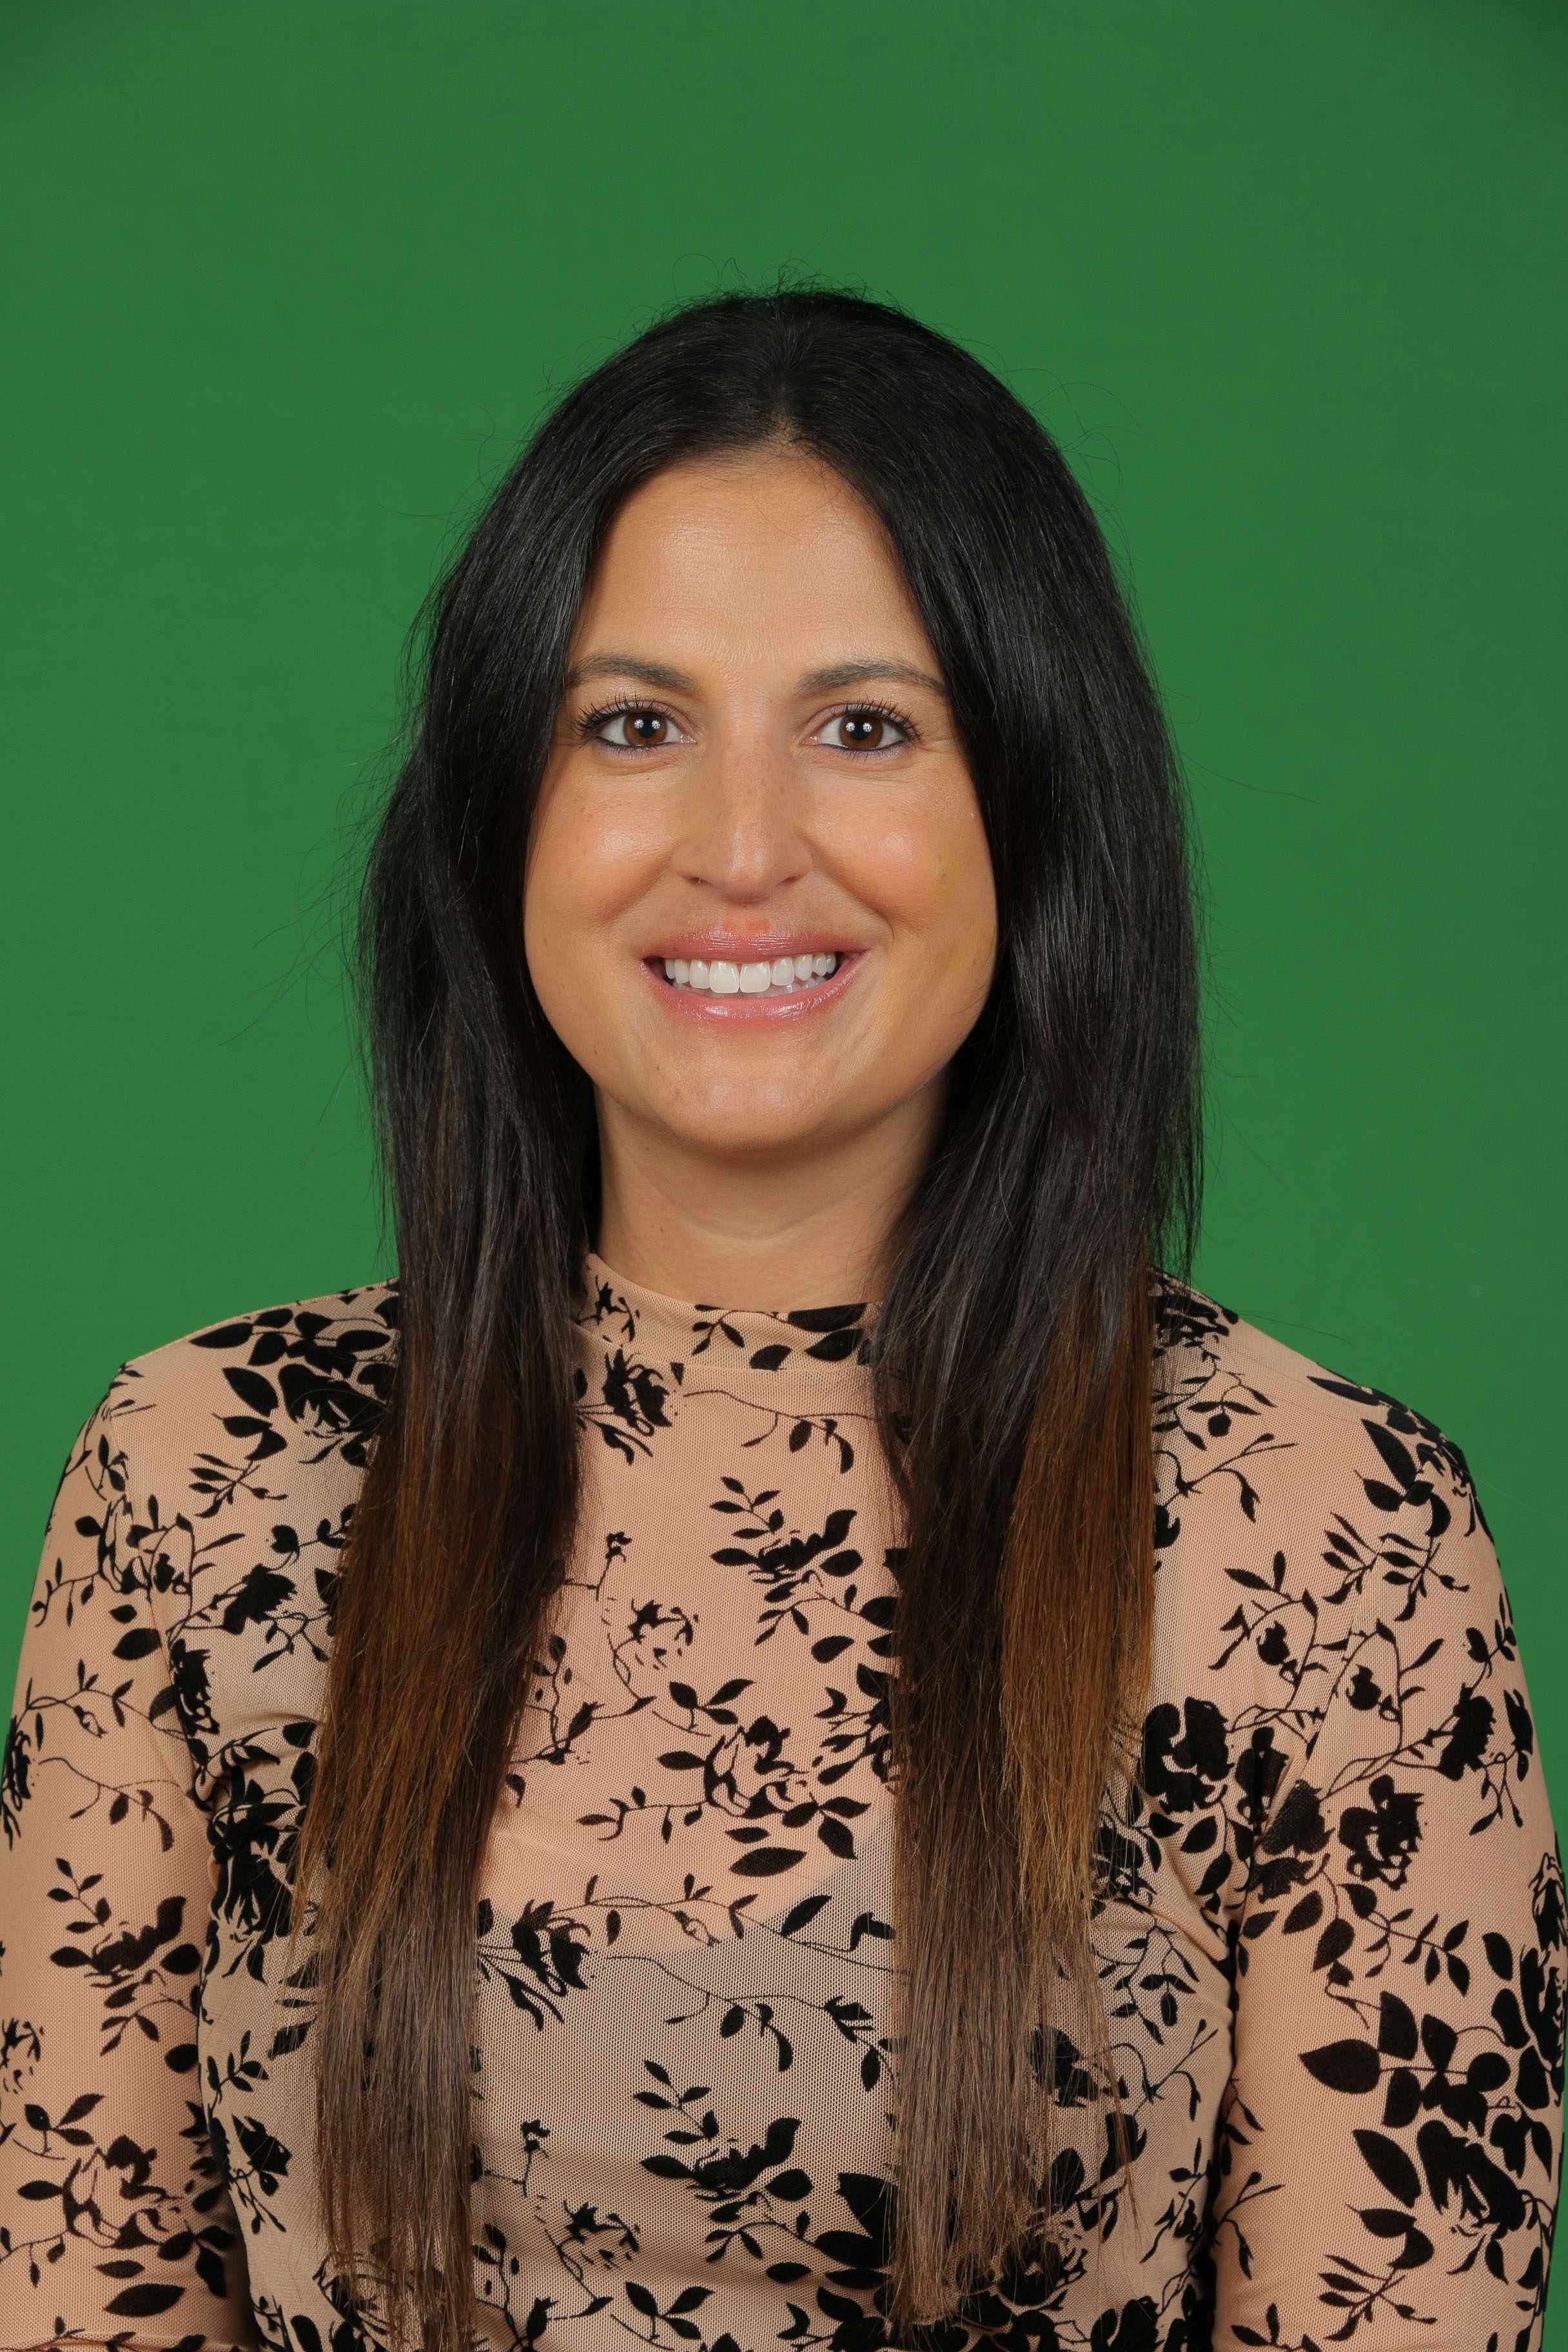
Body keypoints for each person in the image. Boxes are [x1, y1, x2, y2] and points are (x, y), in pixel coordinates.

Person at [0, 289, 1559, 2352]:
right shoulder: (207, 1480)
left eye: (865, 727)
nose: (741, 850)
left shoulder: (1327, 1533)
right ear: (502, 810)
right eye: (634, 726)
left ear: (1033, 805)